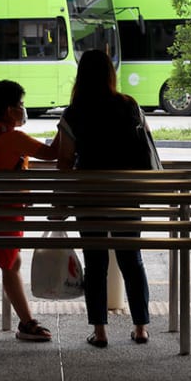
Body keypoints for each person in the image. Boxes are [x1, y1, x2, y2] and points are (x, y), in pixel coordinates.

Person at [56, 49, 151, 348]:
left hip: (90, 195)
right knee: (131, 259)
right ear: (110, 73)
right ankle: (140, 328)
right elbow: (146, 142)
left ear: (80, 75)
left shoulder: (74, 112)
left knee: (95, 262)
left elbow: (64, 161)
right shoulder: (129, 105)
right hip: (125, 193)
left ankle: (100, 332)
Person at [0, 79, 58, 342]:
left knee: (7, 265)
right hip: (7, 213)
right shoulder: (14, 138)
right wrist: (64, 127)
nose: (23, 110)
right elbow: (52, 153)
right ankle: (1, 324)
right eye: (20, 105)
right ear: (9, 109)